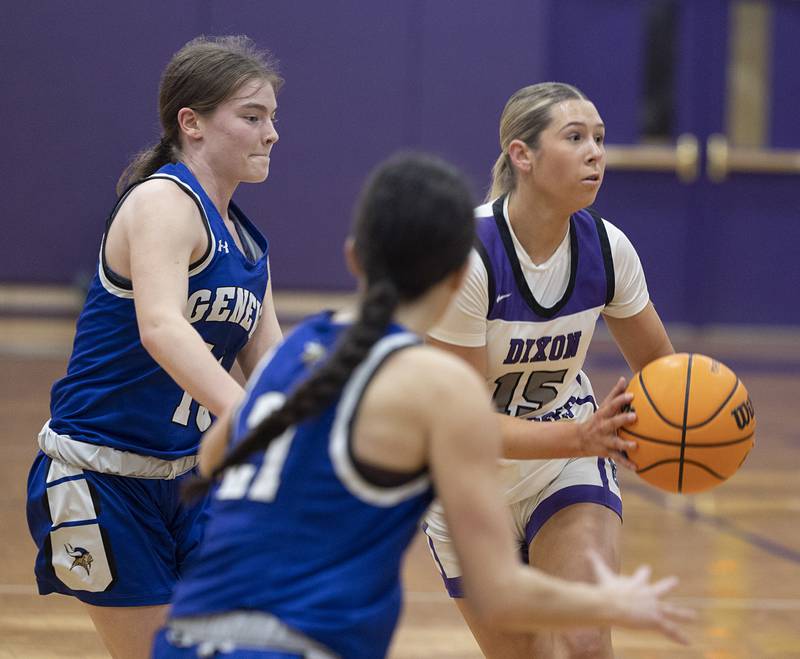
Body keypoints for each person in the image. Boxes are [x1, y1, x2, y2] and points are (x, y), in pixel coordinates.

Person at [152, 153, 691, 659]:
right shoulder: (436, 383)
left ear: (354, 258)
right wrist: (613, 604)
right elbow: (500, 590)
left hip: (187, 635)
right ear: (460, 276)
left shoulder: (296, 348)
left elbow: (215, 455)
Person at [25, 35, 284, 658]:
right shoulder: (162, 201)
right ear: (190, 123)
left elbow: (272, 358)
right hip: (102, 478)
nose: (271, 133)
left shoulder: (248, 242)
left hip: (188, 482)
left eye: (272, 117)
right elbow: (162, 327)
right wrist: (252, 416)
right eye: (252, 117)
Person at [423, 82, 676, 658]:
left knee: (585, 640)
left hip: (563, 466)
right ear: (522, 155)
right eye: (576, 137)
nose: (596, 153)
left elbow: (663, 371)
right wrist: (583, 433)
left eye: (601, 139)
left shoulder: (608, 249)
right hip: (465, 481)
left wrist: (687, 426)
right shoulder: (467, 257)